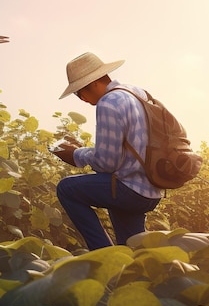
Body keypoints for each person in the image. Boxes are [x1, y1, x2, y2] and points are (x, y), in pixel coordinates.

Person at [53, 52, 162, 250]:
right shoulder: (137, 92)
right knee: (132, 249)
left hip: (131, 188)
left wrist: (76, 153)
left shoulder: (108, 103)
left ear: (94, 82)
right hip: (153, 187)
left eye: (79, 92)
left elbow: (107, 162)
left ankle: (103, 254)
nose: (81, 98)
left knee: (66, 189)